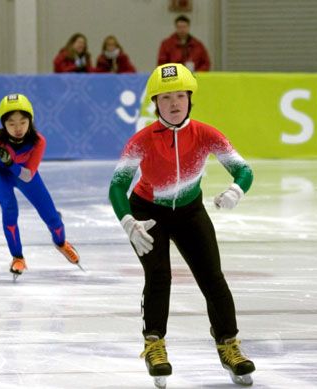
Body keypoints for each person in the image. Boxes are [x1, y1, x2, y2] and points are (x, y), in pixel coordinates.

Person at [108, 63, 255, 387]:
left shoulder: (205, 134)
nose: (173, 104)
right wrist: (128, 222)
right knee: (159, 277)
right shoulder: (142, 140)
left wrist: (236, 190)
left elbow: (244, 170)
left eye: (179, 96)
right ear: (155, 104)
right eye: (165, 98)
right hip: (147, 214)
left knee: (212, 278)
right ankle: (154, 345)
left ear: (190, 99)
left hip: (189, 212)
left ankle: (228, 344)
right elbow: (117, 186)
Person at [0, 93, 81, 279]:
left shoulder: (38, 142)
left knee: (52, 217)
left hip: (24, 174)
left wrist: (10, 163)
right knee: (9, 209)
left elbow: (27, 175)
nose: (18, 128)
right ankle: (18, 258)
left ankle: (62, 243)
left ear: (30, 121)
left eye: (23, 122)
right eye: (11, 124)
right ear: (3, 124)